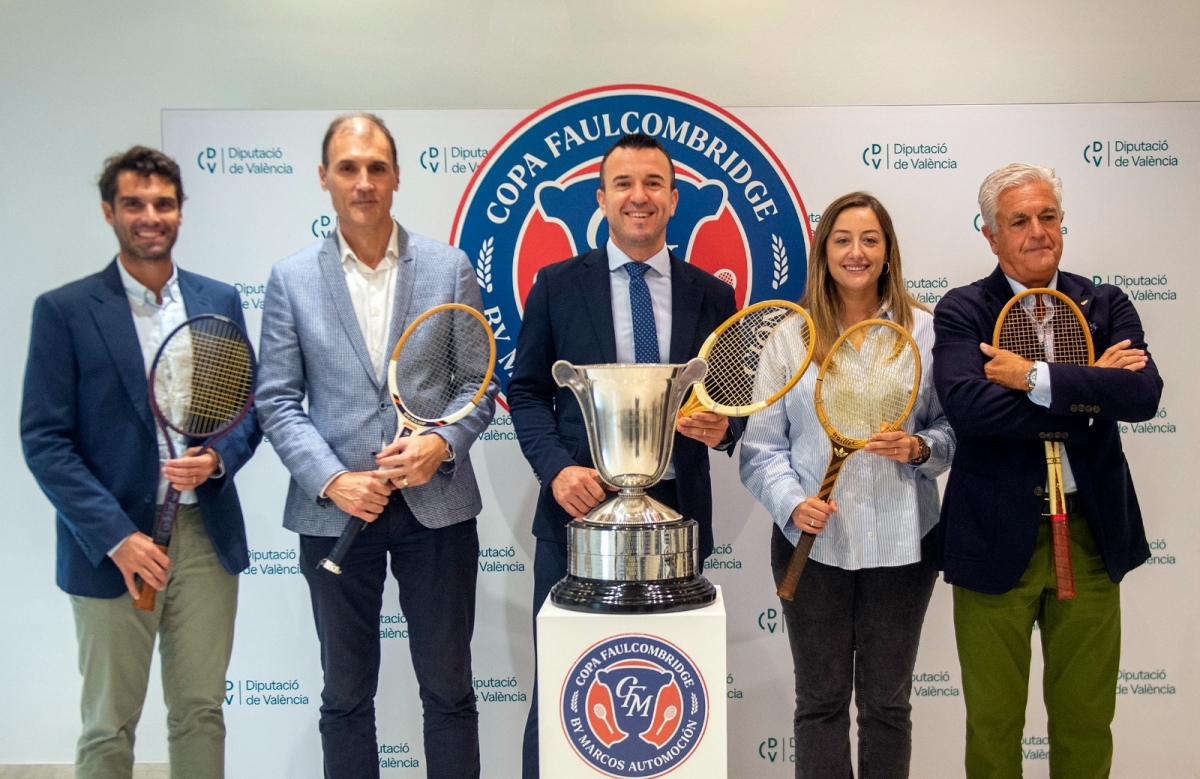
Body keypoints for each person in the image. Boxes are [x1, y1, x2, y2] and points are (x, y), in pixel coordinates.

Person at [255, 113, 496, 779]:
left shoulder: (449, 267)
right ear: (325, 178)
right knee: (345, 696)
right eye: (348, 167)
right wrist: (334, 480)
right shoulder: (291, 278)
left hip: (437, 509)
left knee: (450, 691)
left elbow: (478, 383)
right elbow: (276, 397)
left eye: (376, 167)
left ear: (395, 177)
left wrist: (441, 445)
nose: (363, 181)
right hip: (335, 515)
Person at [508, 132, 745, 778]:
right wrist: (557, 469)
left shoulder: (713, 296)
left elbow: (734, 408)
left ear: (673, 198)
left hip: (676, 519)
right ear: (601, 198)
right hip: (576, 519)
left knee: (677, 693)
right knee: (564, 694)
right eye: (623, 183)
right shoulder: (556, 285)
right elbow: (525, 390)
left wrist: (722, 428)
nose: (638, 196)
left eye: (652, 183)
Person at [20, 146, 261, 779]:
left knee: (201, 712)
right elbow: (45, 440)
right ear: (109, 212)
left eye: (162, 203)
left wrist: (214, 462)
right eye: (134, 204)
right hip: (113, 549)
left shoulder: (219, 300)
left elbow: (248, 413)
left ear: (180, 212)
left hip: (205, 537)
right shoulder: (64, 311)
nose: (149, 216)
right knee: (108, 724)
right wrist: (117, 538)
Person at [933, 163, 1161, 778]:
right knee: (993, 725)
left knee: (1087, 719)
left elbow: (1143, 397)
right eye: (1019, 221)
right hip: (992, 538)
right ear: (990, 235)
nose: (1038, 231)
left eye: (1048, 216)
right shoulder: (962, 311)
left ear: (1062, 223)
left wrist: (1036, 379)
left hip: (1091, 538)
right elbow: (970, 409)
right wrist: (1092, 390)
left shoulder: (1106, 302)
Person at [740, 191, 953, 779]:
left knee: (887, 706)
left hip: (904, 546)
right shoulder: (790, 336)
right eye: (842, 240)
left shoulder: (926, 331)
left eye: (869, 240)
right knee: (820, 705)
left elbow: (949, 430)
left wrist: (920, 448)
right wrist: (792, 502)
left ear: (888, 252)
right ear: (823, 251)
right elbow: (760, 448)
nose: (855, 252)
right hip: (812, 546)